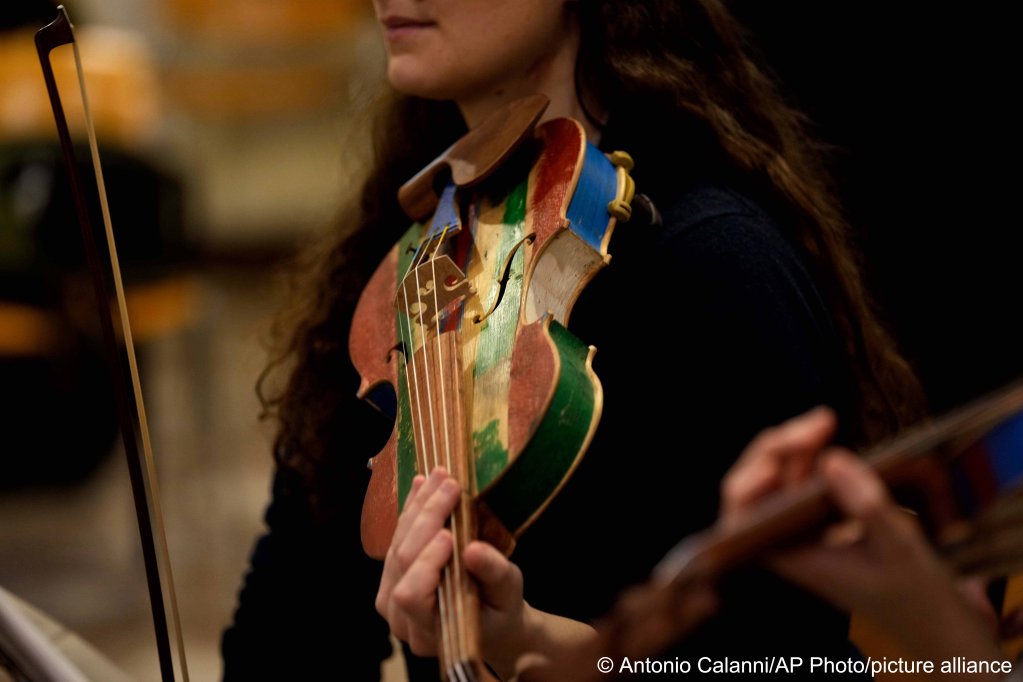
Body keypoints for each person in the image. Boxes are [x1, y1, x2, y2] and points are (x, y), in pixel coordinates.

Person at [222, 1, 925, 679]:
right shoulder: (410, 258)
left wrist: (530, 643)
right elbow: (288, 631)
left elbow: (786, 654)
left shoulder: (710, 260)